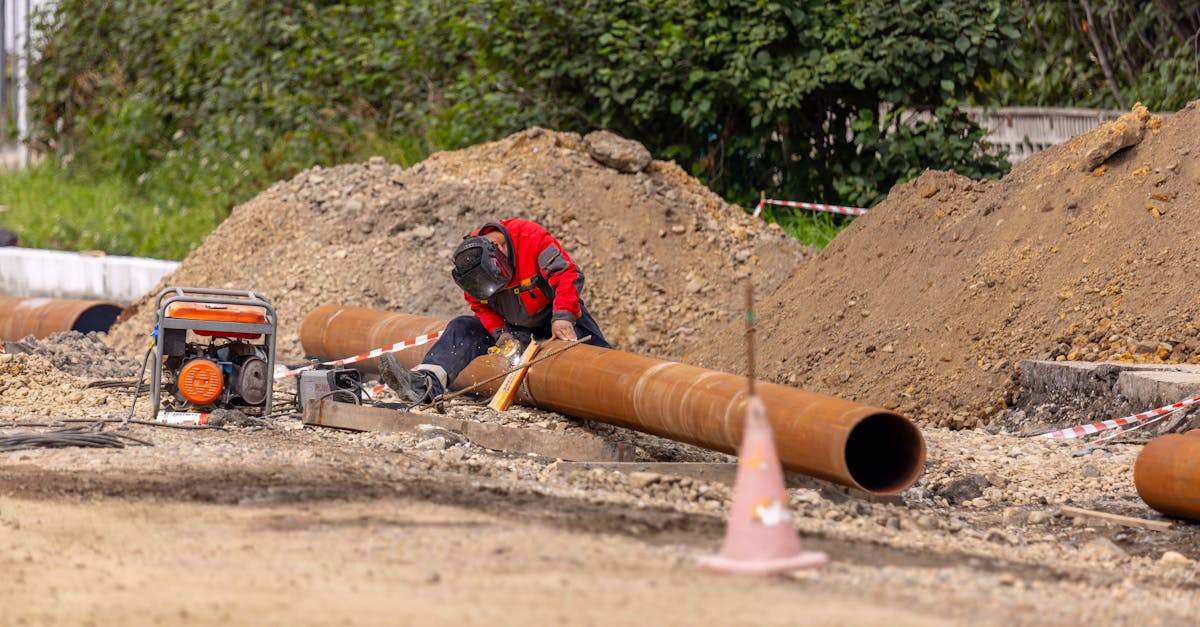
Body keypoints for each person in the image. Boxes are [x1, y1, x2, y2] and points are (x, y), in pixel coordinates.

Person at [379, 218, 609, 405]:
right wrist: (501, 334)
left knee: (603, 365)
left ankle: (613, 397)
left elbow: (567, 275)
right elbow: (480, 306)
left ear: (499, 249)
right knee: (462, 327)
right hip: (514, 327)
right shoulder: (470, 268)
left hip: (555, 315)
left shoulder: (530, 237)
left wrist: (563, 316)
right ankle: (425, 385)